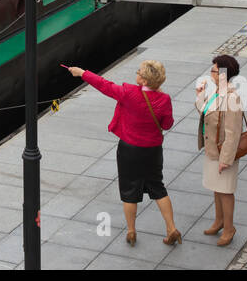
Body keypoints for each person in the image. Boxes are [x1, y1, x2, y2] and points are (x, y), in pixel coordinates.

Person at [64, 60, 181, 247]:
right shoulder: (164, 99)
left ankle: (131, 231)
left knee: (129, 189)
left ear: (143, 80)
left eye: (139, 72)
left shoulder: (129, 94)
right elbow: (167, 125)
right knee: (158, 187)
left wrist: (82, 73)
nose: (137, 73)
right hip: (152, 150)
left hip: (130, 149)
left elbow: (104, 85)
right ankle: (171, 228)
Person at [196, 54, 243, 247]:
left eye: (214, 70)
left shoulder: (232, 98)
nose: (211, 73)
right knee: (216, 188)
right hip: (212, 150)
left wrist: (226, 159)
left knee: (225, 191)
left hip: (223, 152)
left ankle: (229, 227)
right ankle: (219, 221)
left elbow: (233, 133)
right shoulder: (216, 93)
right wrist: (200, 95)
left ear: (223, 74)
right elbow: (206, 113)